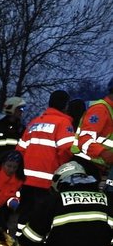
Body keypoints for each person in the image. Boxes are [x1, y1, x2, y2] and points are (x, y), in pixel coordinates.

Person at [16, 90, 75, 228]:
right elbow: (66, 150)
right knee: (42, 218)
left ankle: (18, 244)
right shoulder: (63, 123)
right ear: (66, 106)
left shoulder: (34, 123)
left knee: (25, 215)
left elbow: (20, 151)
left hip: (26, 180)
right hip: (47, 182)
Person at [71, 76, 113, 181]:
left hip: (98, 168)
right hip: (85, 167)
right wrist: (104, 153)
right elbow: (84, 140)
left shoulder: (109, 110)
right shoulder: (100, 109)